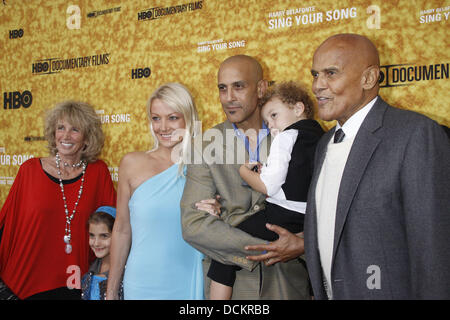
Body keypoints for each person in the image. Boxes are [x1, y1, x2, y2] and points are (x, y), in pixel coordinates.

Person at [304, 33, 450, 299]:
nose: (317, 86)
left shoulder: (415, 134)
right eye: (315, 74)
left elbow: (433, 251)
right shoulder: (324, 143)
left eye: (331, 73)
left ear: (369, 78)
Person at [181, 55, 310, 300]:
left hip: (288, 284)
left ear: (261, 88)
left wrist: (302, 244)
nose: (229, 97)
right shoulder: (205, 144)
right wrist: (275, 247)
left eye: (238, 86)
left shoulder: (295, 133)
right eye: (222, 88)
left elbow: (321, 206)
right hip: (233, 288)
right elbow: (194, 226)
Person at [205, 81, 324, 299]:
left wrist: (245, 172)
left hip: (280, 215)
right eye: (267, 120)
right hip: (309, 219)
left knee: (224, 253)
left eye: (274, 115)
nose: (270, 125)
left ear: (298, 108)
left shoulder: (286, 137)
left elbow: (268, 186)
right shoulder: (322, 136)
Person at [0, 100, 116, 300]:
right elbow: (6, 226)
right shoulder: (29, 170)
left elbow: (112, 227)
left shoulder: (98, 172)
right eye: (60, 128)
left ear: (87, 138)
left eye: (75, 130)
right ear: (53, 135)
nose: (66, 136)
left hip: (74, 283)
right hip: (25, 282)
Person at [106, 83, 204, 300]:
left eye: (173, 117)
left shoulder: (204, 164)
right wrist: (111, 291)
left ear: (188, 118)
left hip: (190, 277)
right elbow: (121, 230)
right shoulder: (131, 163)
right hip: (142, 281)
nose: (163, 127)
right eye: (156, 118)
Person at [81, 206, 123, 300]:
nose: (96, 243)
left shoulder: (127, 273)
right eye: (92, 235)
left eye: (104, 236)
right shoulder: (92, 267)